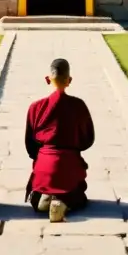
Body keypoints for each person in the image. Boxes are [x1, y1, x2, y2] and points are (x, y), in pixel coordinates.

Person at [25, 58, 95, 222]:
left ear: (47, 79)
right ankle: (61, 201)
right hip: (68, 162)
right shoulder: (79, 105)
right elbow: (88, 139)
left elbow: (30, 144)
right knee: (78, 195)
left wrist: (40, 158)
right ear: (69, 80)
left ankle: (45, 196)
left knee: (37, 193)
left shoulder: (35, 107)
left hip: (44, 163)